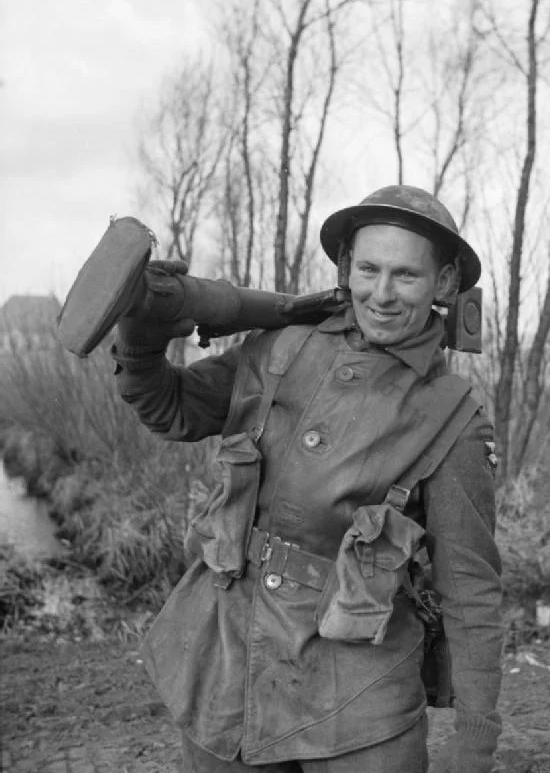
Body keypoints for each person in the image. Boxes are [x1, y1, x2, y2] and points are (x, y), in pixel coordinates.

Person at [111, 185, 504, 773]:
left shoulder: (452, 418)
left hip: (357, 705)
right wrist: (141, 341)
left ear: (445, 284)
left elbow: (470, 591)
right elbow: (173, 409)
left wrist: (474, 745)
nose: (382, 293)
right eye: (369, 269)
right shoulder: (281, 346)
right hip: (229, 668)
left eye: (407, 276)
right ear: (346, 268)